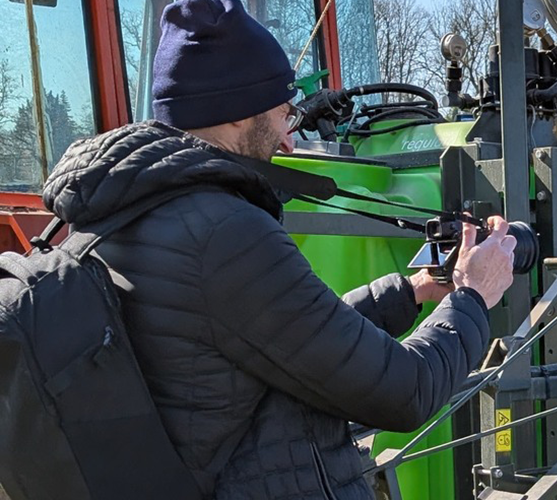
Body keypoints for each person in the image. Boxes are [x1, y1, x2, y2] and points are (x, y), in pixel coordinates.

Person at [40, 0, 515, 498]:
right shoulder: (224, 233)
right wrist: (473, 296)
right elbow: (408, 390)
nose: (290, 141)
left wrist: (410, 291)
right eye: (285, 113)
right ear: (238, 111)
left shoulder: (127, 211)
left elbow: (286, 335)